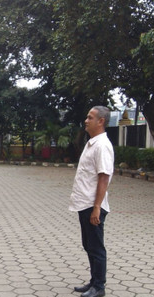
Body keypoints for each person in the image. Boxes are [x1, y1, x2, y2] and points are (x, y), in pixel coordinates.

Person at [68, 106, 114, 297]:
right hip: (84, 203)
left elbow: (104, 177)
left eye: (90, 117)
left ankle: (99, 287)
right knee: (89, 245)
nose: (86, 120)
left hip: (92, 205)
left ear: (101, 121)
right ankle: (93, 282)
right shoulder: (92, 143)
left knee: (96, 247)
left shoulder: (102, 145)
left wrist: (97, 207)